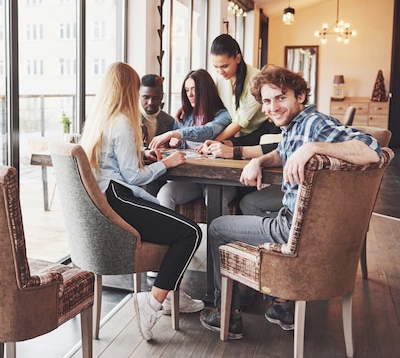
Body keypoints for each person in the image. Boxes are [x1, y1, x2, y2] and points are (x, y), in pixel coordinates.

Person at [199, 65, 382, 340]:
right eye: (267, 101)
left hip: (295, 226)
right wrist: (259, 160)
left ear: (300, 96)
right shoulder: (296, 126)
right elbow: (283, 153)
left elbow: (372, 149)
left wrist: (313, 147)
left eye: (280, 98)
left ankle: (226, 312)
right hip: (304, 221)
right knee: (251, 204)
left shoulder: (314, 125)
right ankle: (279, 301)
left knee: (217, 227)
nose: (273, 107)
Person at [79, 62, 203, 341]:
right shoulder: (123, 122)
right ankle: (155, 302)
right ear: (128, 89)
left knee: (177, 229)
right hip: (118, 200)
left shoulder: (100, 119)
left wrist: (144, 155)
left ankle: (171, 294)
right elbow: (133, 178)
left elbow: (114, 164)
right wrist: (168, 164)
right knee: (191, 233)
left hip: (105, 198)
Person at [148, 69, 236, 211]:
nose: (190, 94)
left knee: (214, 199)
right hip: (192, 180)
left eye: (195, 89)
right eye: (187, 90)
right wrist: (175, 144)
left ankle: (220, 234)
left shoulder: (224, 115)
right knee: (165, 193)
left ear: (206, 90)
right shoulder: (185, 116)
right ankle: (166, 233)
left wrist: (173, 134)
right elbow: (179, 146)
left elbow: (206, 132)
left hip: (220, 179)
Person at [202, 34, 280, 149]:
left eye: (224, 66)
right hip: (242, 136)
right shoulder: (221, 78)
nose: (220, 71)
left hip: (264, 132)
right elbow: (211, 99)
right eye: (216, 67)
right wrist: (186, 108)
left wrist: (215, 141)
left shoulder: (256, 80)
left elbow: (240, 121)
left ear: (237, 58)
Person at [140, 74, 175, 197]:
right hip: (132, 178)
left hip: (158, 178)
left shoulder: (170, 121)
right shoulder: (129, 119)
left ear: (161, 97)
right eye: (146, 97)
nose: (150, 102)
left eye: (155, 98)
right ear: (139, 95)